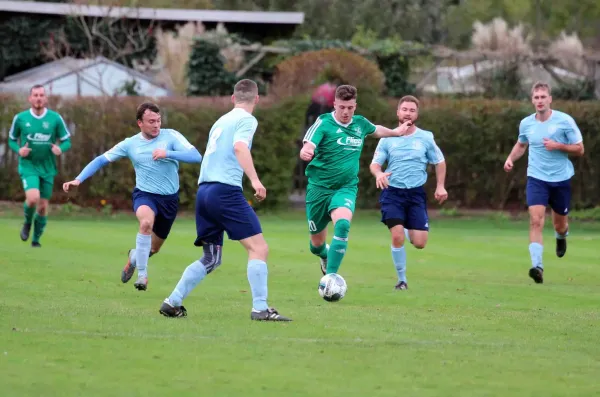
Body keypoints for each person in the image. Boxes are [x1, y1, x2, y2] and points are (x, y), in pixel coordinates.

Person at [159, 79, 292, 321]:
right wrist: (255, 180)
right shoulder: (247, 119)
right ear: (257, 99)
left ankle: (173, 302)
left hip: (204, 192)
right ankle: (260, 309)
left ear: (233, 98)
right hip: (225, 192)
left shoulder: (220, 121)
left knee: (211, 257)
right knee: (259, 248)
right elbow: (240, 147)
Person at [63, 102, 202, 291]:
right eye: (151, 121)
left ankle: (133, 258)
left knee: (153, 249)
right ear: (140, 123)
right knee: (145, 224)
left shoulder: (171, 136)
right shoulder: (130, 144)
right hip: (145, 195)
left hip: (169, 200)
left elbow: (196, 156)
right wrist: (78, 180)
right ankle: (142, 276)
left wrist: (167, 153)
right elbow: (101, 159)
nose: (156, 125)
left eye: (158, 121)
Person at [299, 84, 411, 279]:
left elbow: (375, 130)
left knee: (342, 225)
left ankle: (331, 278)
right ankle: (325, 255)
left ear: (355, 106)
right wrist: (306, 150)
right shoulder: (324, 122)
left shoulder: (359, 124)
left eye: (350, 108)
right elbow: (309, 143)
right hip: (318, 189)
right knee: (316, 245)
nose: (346, 112)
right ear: (334, 104)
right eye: (342, 107)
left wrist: (397, 132)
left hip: (345, 188)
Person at [504, 81, 584, 284]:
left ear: (550, 99)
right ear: (532, 100)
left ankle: (561, 236)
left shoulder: (564, 121)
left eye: (543, 97)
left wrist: (558, 145)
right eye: (536, 97)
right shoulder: (526, 123)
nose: (539, 101)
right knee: (536, 220)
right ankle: (537, 266)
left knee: (560, 225)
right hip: (537, 179)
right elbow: (521, 144)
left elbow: (579, 148)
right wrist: (511, 159)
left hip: (561, 180)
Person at [369, 95, 448, 290]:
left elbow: (439, 161)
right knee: (397, 237)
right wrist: (379, 174)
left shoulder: (426, 137)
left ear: (417, 114)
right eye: (404, 109)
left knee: (420, 243)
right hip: (392, 193)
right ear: (398, 112)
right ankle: (402, 280)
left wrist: (440, 186)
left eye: (412, 110)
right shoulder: (387, 138)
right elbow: (375, 164)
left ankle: (404, 226)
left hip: (415, 195)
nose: (408, 113)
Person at [8, 84, 72, 248]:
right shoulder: (21, 118)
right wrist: (19, 150)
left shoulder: (55, 119)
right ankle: (27, 223)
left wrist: (60, 149)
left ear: (46, 98)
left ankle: (36, 240)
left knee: (43, 207)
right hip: (28, 166)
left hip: (48, 168)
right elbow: (11, 140)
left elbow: (66, 141)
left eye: (41, 95)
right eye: (35, 95)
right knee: (33, 199)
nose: (38, 98)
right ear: (30, 98)